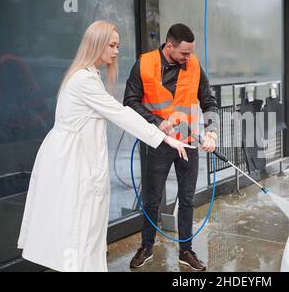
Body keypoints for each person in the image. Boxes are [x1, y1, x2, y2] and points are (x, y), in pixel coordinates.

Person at [17, 21, 194, 272]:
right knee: (76, 233)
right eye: (111, 45)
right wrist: (164, 137)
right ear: (96, 43)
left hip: (79, 161)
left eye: (118, 45)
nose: (116, 51)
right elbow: (120, 113)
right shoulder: (83, 80)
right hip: (72, 164)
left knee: (84, 232)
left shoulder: (90, 75)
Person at [124, 23, 219, 271]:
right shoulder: (144, 64)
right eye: (184, 53)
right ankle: (146, 247)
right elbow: (129, 102)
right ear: (169, 46)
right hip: (159, 142)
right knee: (152, 199)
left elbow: (208, 100)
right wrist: (158, 122)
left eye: (190, 53)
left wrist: (211, 130)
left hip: (188, 143)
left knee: (187, 199)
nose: (189, 58)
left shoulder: (194, 64)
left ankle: (185, 250)